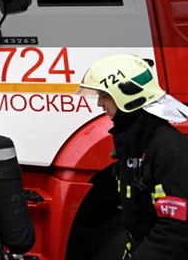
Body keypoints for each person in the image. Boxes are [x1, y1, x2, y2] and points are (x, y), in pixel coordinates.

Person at [78, 54, 188, 259]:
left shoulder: (170, 150)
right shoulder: (135, 144)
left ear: (126, 94)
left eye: (104, 95)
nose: (100, 103)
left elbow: (176, 232)